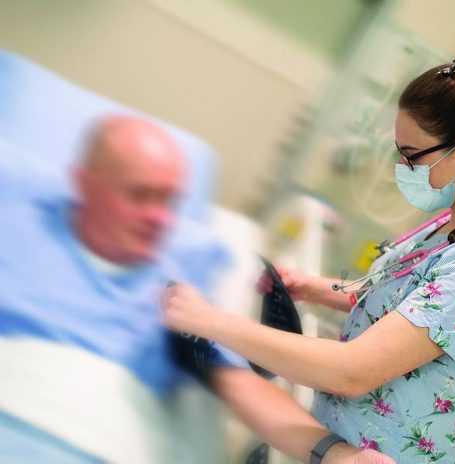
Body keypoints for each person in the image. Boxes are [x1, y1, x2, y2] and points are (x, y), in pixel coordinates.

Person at [163, 35, 455, 463]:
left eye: (412, 155)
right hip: (331, 438)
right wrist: (312, 287)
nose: (402, 169)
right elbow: (402, 303)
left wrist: (209, 320)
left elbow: (352, 371)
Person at [0, 115, 393, 463]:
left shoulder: (178, 286)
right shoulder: (20, 226)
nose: (158, 218)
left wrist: (336, 455)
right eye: (139, 195)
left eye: (168, 201)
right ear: (85, 183)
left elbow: (239, 383)